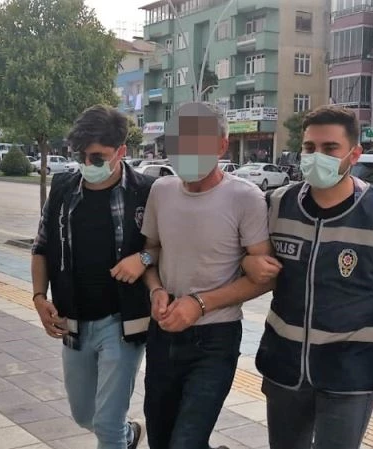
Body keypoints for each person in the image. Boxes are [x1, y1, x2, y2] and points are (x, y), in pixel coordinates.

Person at [243, 106, 373, 449]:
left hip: (352, 371)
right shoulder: (276, 206)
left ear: (354, 154)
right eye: (310, 148)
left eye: (330, 148)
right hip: (285, 366)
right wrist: (248, 263)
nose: (317, 157)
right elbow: (242, 255)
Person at [140, 102, 273, 449]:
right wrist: (155, 289)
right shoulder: (161, 190)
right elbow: (151, 252)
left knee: (185, 442)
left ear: (221, 145)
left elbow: (265, 276)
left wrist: (200, 304)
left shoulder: (246, 198)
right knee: (160, 440)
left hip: (215, 339)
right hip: (163, 334)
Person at [30, 105, 155, 449]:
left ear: (121, 152)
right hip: (75, 320)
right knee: (85, 414)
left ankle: (118, 435)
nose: (88, 164)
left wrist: (143, 258)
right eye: (81, 156)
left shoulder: (146, 191)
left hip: (122, 323)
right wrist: (39, 298)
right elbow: (41, 246)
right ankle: (129, 436)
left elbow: (167, 247)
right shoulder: (64, 189)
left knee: (106, 423)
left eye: (97, 157)